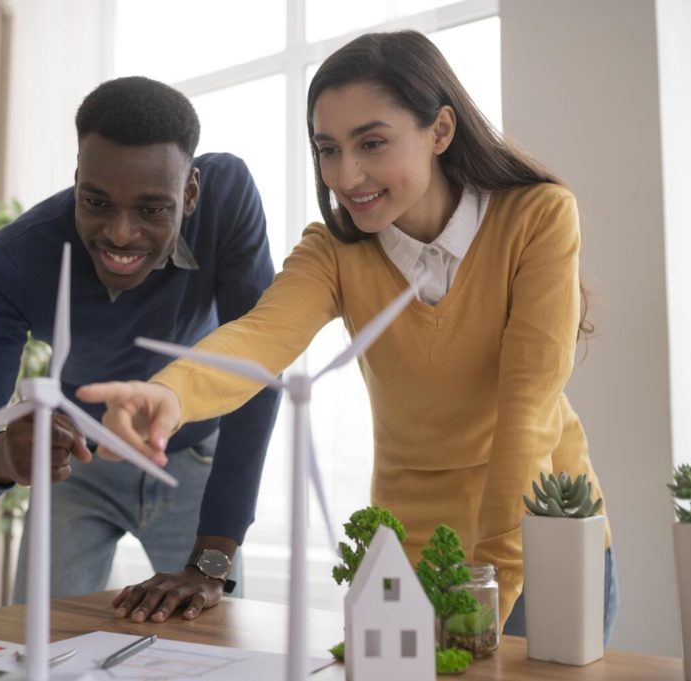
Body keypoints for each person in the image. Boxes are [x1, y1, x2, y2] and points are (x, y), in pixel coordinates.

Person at [79, 32, 618, 639]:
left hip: (541, 532)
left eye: (372, 143)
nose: (346, 173)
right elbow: (260, 337)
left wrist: (488, 577)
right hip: (409, 546)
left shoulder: (537, 217)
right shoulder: (334, 249)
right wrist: (171, 394)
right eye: (327, 149)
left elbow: (527, 407)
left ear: (440, 131)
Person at [0, 76, 280, 621]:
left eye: (151, 210)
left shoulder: (227, 197)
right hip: (78, 471)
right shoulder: (14, 260)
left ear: (190, 193)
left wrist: (213, 562)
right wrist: (2, 455)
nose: (119, 233)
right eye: (95, 201)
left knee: (216, 643)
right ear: (76, 181)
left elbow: (255, 372)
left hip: (195, 464)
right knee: (41, 643)